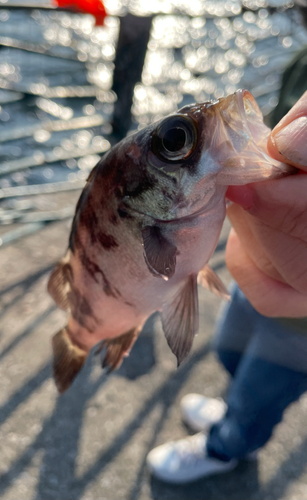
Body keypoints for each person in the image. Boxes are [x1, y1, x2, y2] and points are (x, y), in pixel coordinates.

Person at [146, 91, 307, 484]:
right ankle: (231, 409)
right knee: (231, 353)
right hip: (253, 274)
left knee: (260, 397)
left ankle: (225, 449)